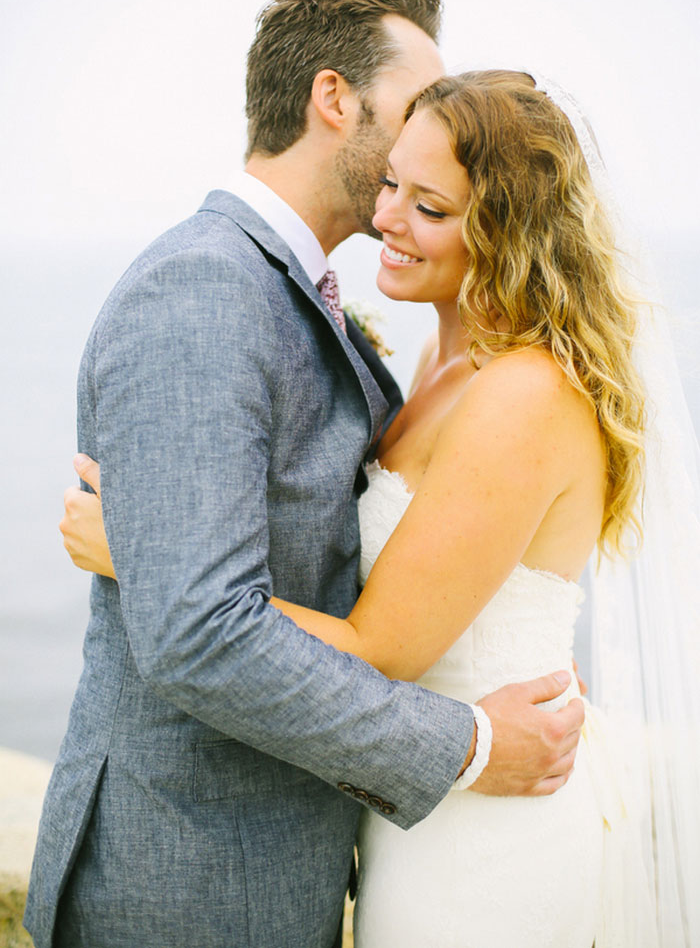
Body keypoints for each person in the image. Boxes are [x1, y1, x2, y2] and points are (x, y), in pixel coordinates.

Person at [57, 68, 700, 945]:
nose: (386, 218)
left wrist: (144, 551)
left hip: (486, 838)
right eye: (392, 182)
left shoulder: (521, 395)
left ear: (510, 234)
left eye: (430, 207)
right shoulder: (432, 369)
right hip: (416, 808)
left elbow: (379, 649)